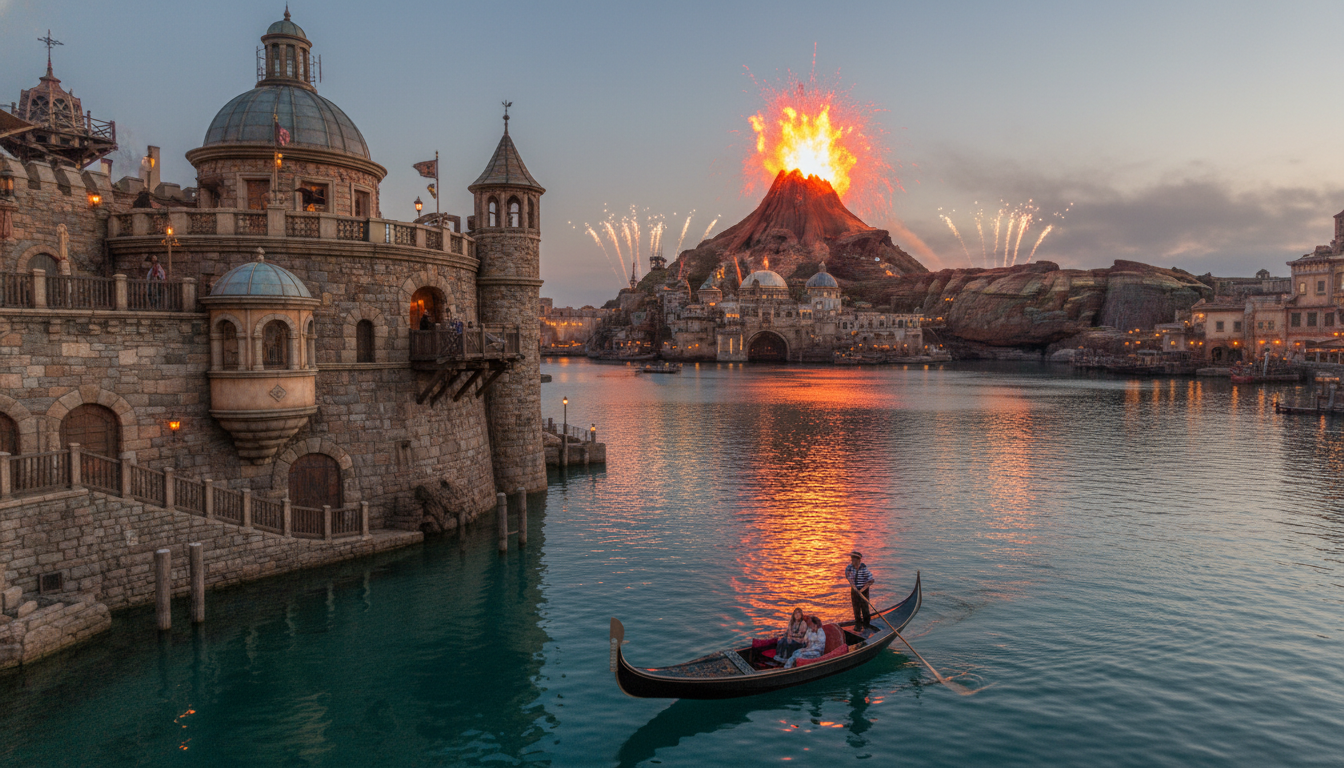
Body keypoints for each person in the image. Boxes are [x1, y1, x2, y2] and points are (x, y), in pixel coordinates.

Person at [845, 551, 876, 630]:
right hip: (854, 590)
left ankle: (866, 624)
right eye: (852, 559)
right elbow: (848, 576)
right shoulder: (849, 567)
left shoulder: (864, 570)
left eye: (854, 560)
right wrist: (853, 586)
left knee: (864, 608)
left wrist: (862, 590)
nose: (852, 561)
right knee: (856, 608)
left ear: (859, 560)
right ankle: (858, 625)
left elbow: (871, 581)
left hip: (864, 590)